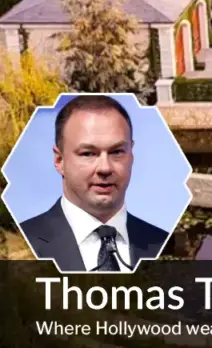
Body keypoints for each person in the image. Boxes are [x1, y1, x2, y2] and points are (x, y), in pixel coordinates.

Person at [19, 95, 169, 272]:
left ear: (131, 155)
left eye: (117, 152)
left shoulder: (161, 242)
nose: (104, 168)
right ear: (60, 160)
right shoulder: (23, 243)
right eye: (88, 154)